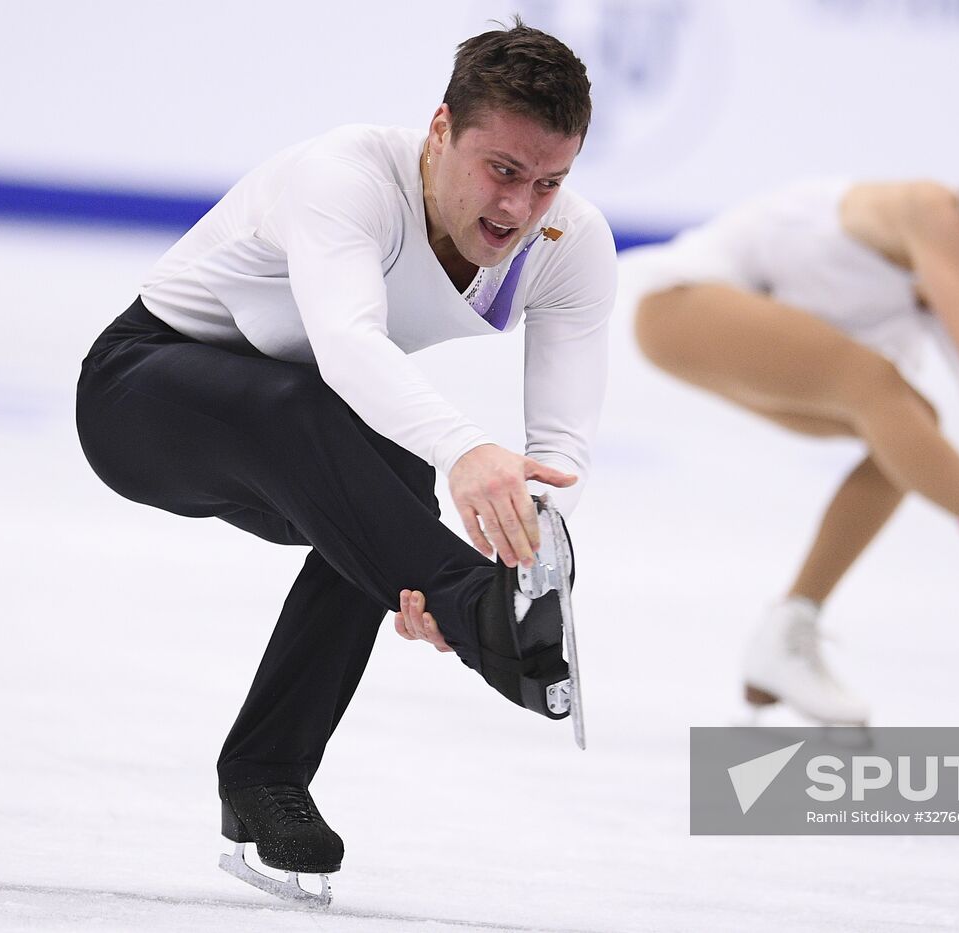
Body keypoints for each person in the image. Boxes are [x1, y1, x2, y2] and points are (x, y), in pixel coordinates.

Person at [75, 18, 615, 892]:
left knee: (395, 477)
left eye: (548, 182)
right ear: (441, 131)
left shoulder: (571, 246)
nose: (518, 208)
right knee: (339, 424)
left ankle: (264, 777)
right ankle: (483, 622)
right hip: (140, 397)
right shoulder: (347, 176)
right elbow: (346, 345)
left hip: (300, 442)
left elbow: (559, 449)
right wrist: (464, 461)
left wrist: (529, 542)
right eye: (501, 171)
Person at [625, 106, 959, 726]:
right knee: (877, 388)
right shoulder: (932, 212)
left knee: (908, 430)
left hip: (778, 340)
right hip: (683, 306)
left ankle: (788, 630)